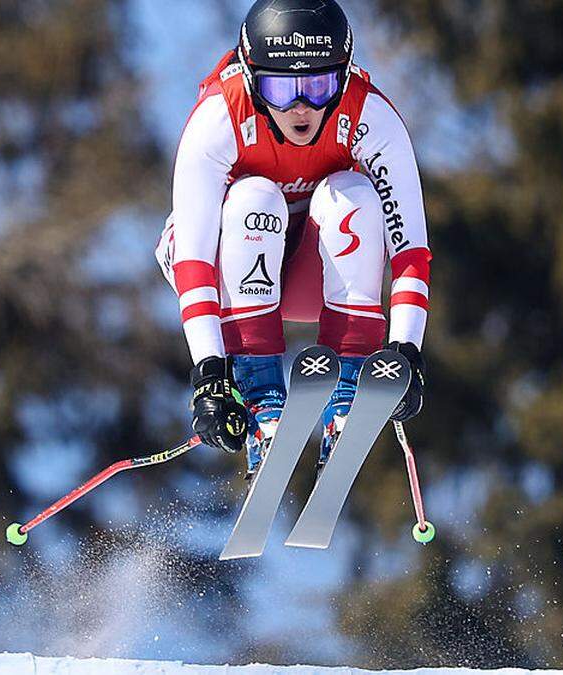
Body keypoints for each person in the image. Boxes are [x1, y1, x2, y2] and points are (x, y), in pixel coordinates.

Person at [155, 0, 430, 479]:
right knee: (253, 199)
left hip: (318, 273)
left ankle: (347, 387)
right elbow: (194, 259)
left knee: (356, 197)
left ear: (343, 78)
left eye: (319, 86)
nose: (301, 108)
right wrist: (210, 373)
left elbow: (410, 251)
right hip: (227, 274)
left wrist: (406, 352)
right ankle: (262, 400)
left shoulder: (371, 117)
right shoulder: (219, 119)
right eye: (280, 89)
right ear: (254, 81)